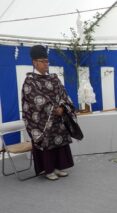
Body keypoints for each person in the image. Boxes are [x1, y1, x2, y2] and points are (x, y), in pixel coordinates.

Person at [21, 45, 75, 181]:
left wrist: (63, 108)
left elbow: (63, 94)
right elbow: (34, 98)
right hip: (42, 120)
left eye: (47, 61)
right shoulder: (30, 81)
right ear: (35, 62)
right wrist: (52, 109)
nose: (46, 64)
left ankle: (58, 167)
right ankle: (48, 169)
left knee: (60, 139)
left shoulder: (54, 78)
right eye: (43, 61)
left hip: (58, 118)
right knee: (46, 141)